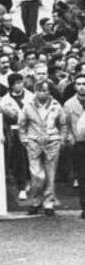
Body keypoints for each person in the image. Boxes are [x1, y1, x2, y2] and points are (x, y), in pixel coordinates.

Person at [19, 80, 69, 215]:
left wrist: (62, 139)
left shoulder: (56, 105)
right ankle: (35, 201)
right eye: (39, 90)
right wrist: (25, 139)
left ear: (49, 92)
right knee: (36, 174)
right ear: (35, 92)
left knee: (50, 174)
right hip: (34, 141)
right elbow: (22, 124)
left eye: (45, 90)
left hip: (52, 141)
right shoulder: (28, 105)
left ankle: (49, 204)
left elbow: (63, 124)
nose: (42, 93)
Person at [63, 74, 85, 218]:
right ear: (75, 86)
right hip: (79, 144)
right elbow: (65, 124)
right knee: (82, 176)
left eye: (84, 83)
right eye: (79, 84)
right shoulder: (69, 104)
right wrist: (69, 138)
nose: (82, 87)